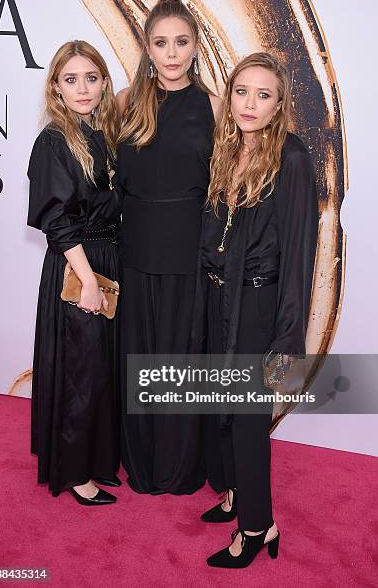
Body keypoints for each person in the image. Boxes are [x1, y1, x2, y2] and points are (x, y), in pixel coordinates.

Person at [191, 52, 318, 566]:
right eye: (242, 91)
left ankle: (258, 527)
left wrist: (286, 340)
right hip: (222, 297)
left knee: (247, 417)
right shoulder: (227, 148)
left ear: (279, 104)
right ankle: (239, 493)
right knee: (223, 407)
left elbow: (300, 255)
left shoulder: (292, 158)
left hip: (262, 304)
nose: (249, 104)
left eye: (263, 95)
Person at [116, 0, 221, 495]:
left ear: (196, 46)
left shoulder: (216, 108)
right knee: (138, 357)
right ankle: (142, 464)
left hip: (188, 255)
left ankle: (179, 469)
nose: (172, 53)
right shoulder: (122, 104)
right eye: (161, 43)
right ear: (148, 47)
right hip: (134, 253)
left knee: (181, 358)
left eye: (181, 42)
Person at [27, 40, 122, 505]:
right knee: (80, 373)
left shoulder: (102, 135)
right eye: (71, 79)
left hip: (107, 261)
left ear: (104, 83)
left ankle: (100, 460)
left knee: (102, 370)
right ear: (56, 88)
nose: (82, 88)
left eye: (91, 77)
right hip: (76, 266)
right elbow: (57, 220)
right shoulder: (53, 141)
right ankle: (76, 473)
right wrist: (86, 280)